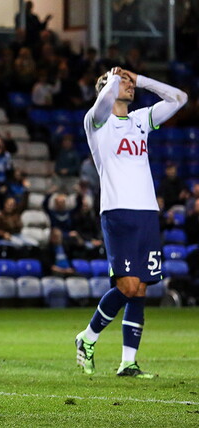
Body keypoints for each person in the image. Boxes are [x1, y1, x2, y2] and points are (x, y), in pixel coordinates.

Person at [75, 67, 187, 378]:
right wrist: (113, 79)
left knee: (140, 289)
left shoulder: (139, 120)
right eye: (122, 83)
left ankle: (128, 362)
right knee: (126, 285)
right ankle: (88, 337)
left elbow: (180, 98)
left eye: (129, 83)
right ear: (106, 88)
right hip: (118, 211)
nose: (128, 86)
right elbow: (102, 102)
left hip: (147, 212)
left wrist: (140, 79)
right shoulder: (96, 122)